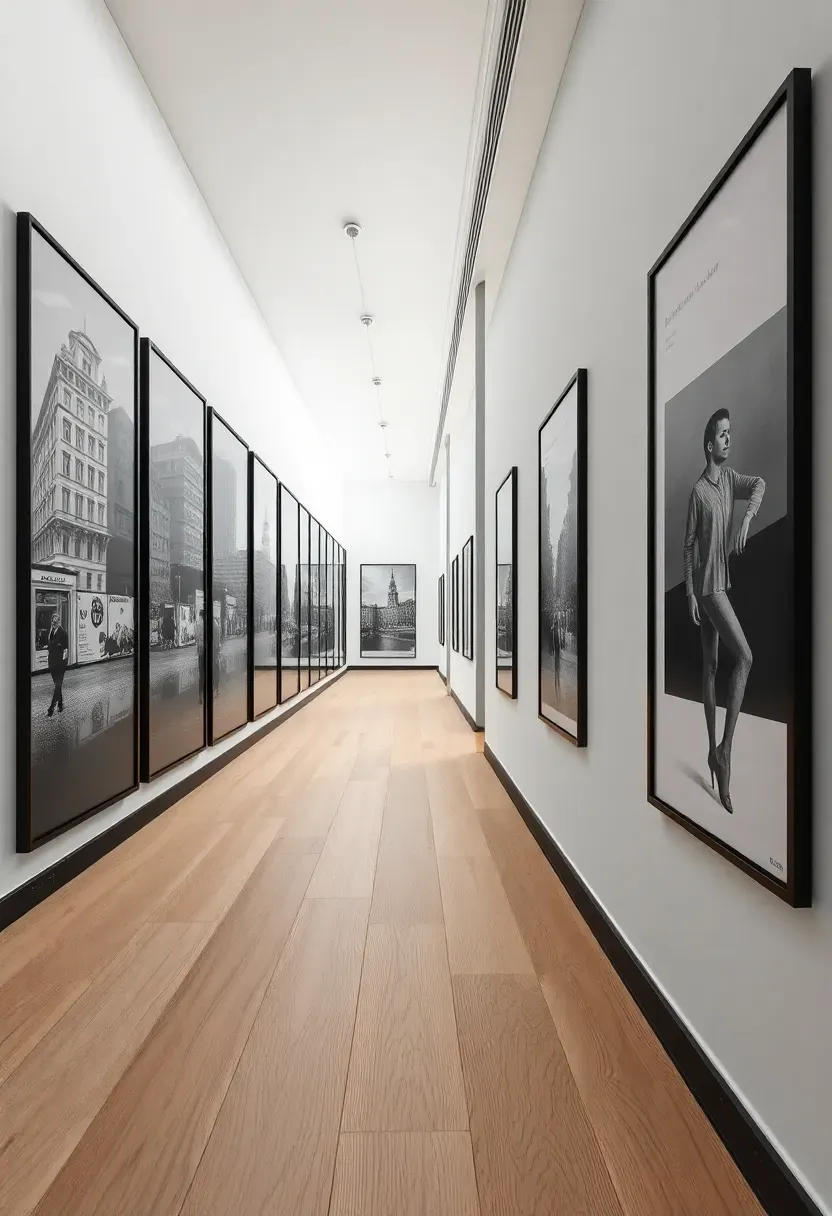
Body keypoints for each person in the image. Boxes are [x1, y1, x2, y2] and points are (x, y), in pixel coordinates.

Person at [683, 409, 764, 814]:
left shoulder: (730, 481)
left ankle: (714, 751)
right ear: (709, 445)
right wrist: (690, 595)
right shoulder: (699, 492)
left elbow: (760, 485)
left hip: (719, 585)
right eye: (722, 435)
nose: (729, 440)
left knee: (713, 668)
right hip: (708, 591)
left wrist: (747, 517)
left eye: (730, 433)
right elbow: (688, 546)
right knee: (744, 657)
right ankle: (723, 751)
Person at [46, 611, 69, 716]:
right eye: (52, 623)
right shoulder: (51, 632)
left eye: (55, 623)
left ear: (59, 622)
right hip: (52, 663)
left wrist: (64, 664)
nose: (53, 625)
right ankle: (60, 705)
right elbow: (49, 645)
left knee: (58, 685)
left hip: (60, 663)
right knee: (57, 685)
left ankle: (51, 708)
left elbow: (66, 650)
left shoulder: (63, 633)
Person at [196, 608, 206, 705]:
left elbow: (197, 638)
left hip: (200, 651)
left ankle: (200, 696)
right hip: (206, 651)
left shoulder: (198, 624)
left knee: (201, 674)